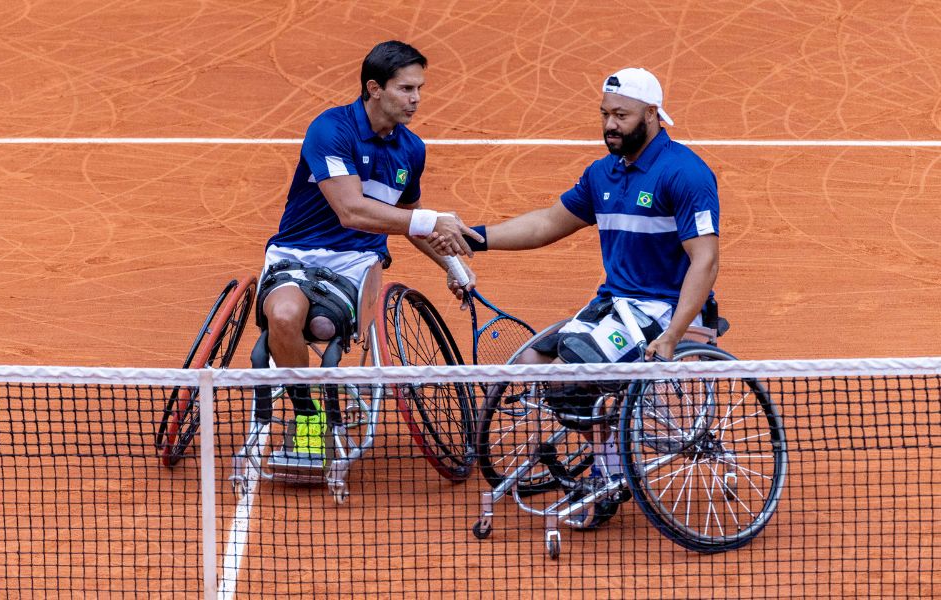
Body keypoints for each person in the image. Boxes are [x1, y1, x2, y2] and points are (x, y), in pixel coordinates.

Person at [442, 67, 719, 500]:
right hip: (615, 304)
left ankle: (609, 478)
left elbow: (705, 260)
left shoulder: (685, 173)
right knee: (531, 366)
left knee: (568, 378)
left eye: (621, 116)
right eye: (605, 114)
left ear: (651, 114)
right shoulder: (601, 174)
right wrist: (475, 239)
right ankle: (608, 459)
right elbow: (547, 223)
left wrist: (674, 333)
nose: (610, 125)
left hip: (664, 310)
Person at [256, 40, 482, 461]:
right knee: (286, 317)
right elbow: (351, 211)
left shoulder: (411, 150)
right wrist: (432, 219)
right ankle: (309, 417)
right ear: (374, 88)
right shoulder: (331, 129)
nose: (416, 99)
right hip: (296, 254)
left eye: (419, 89)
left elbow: (405, 219)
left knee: (326, 329)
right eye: (406, 89)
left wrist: (450, 264)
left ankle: (319, 381)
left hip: (359, 262)